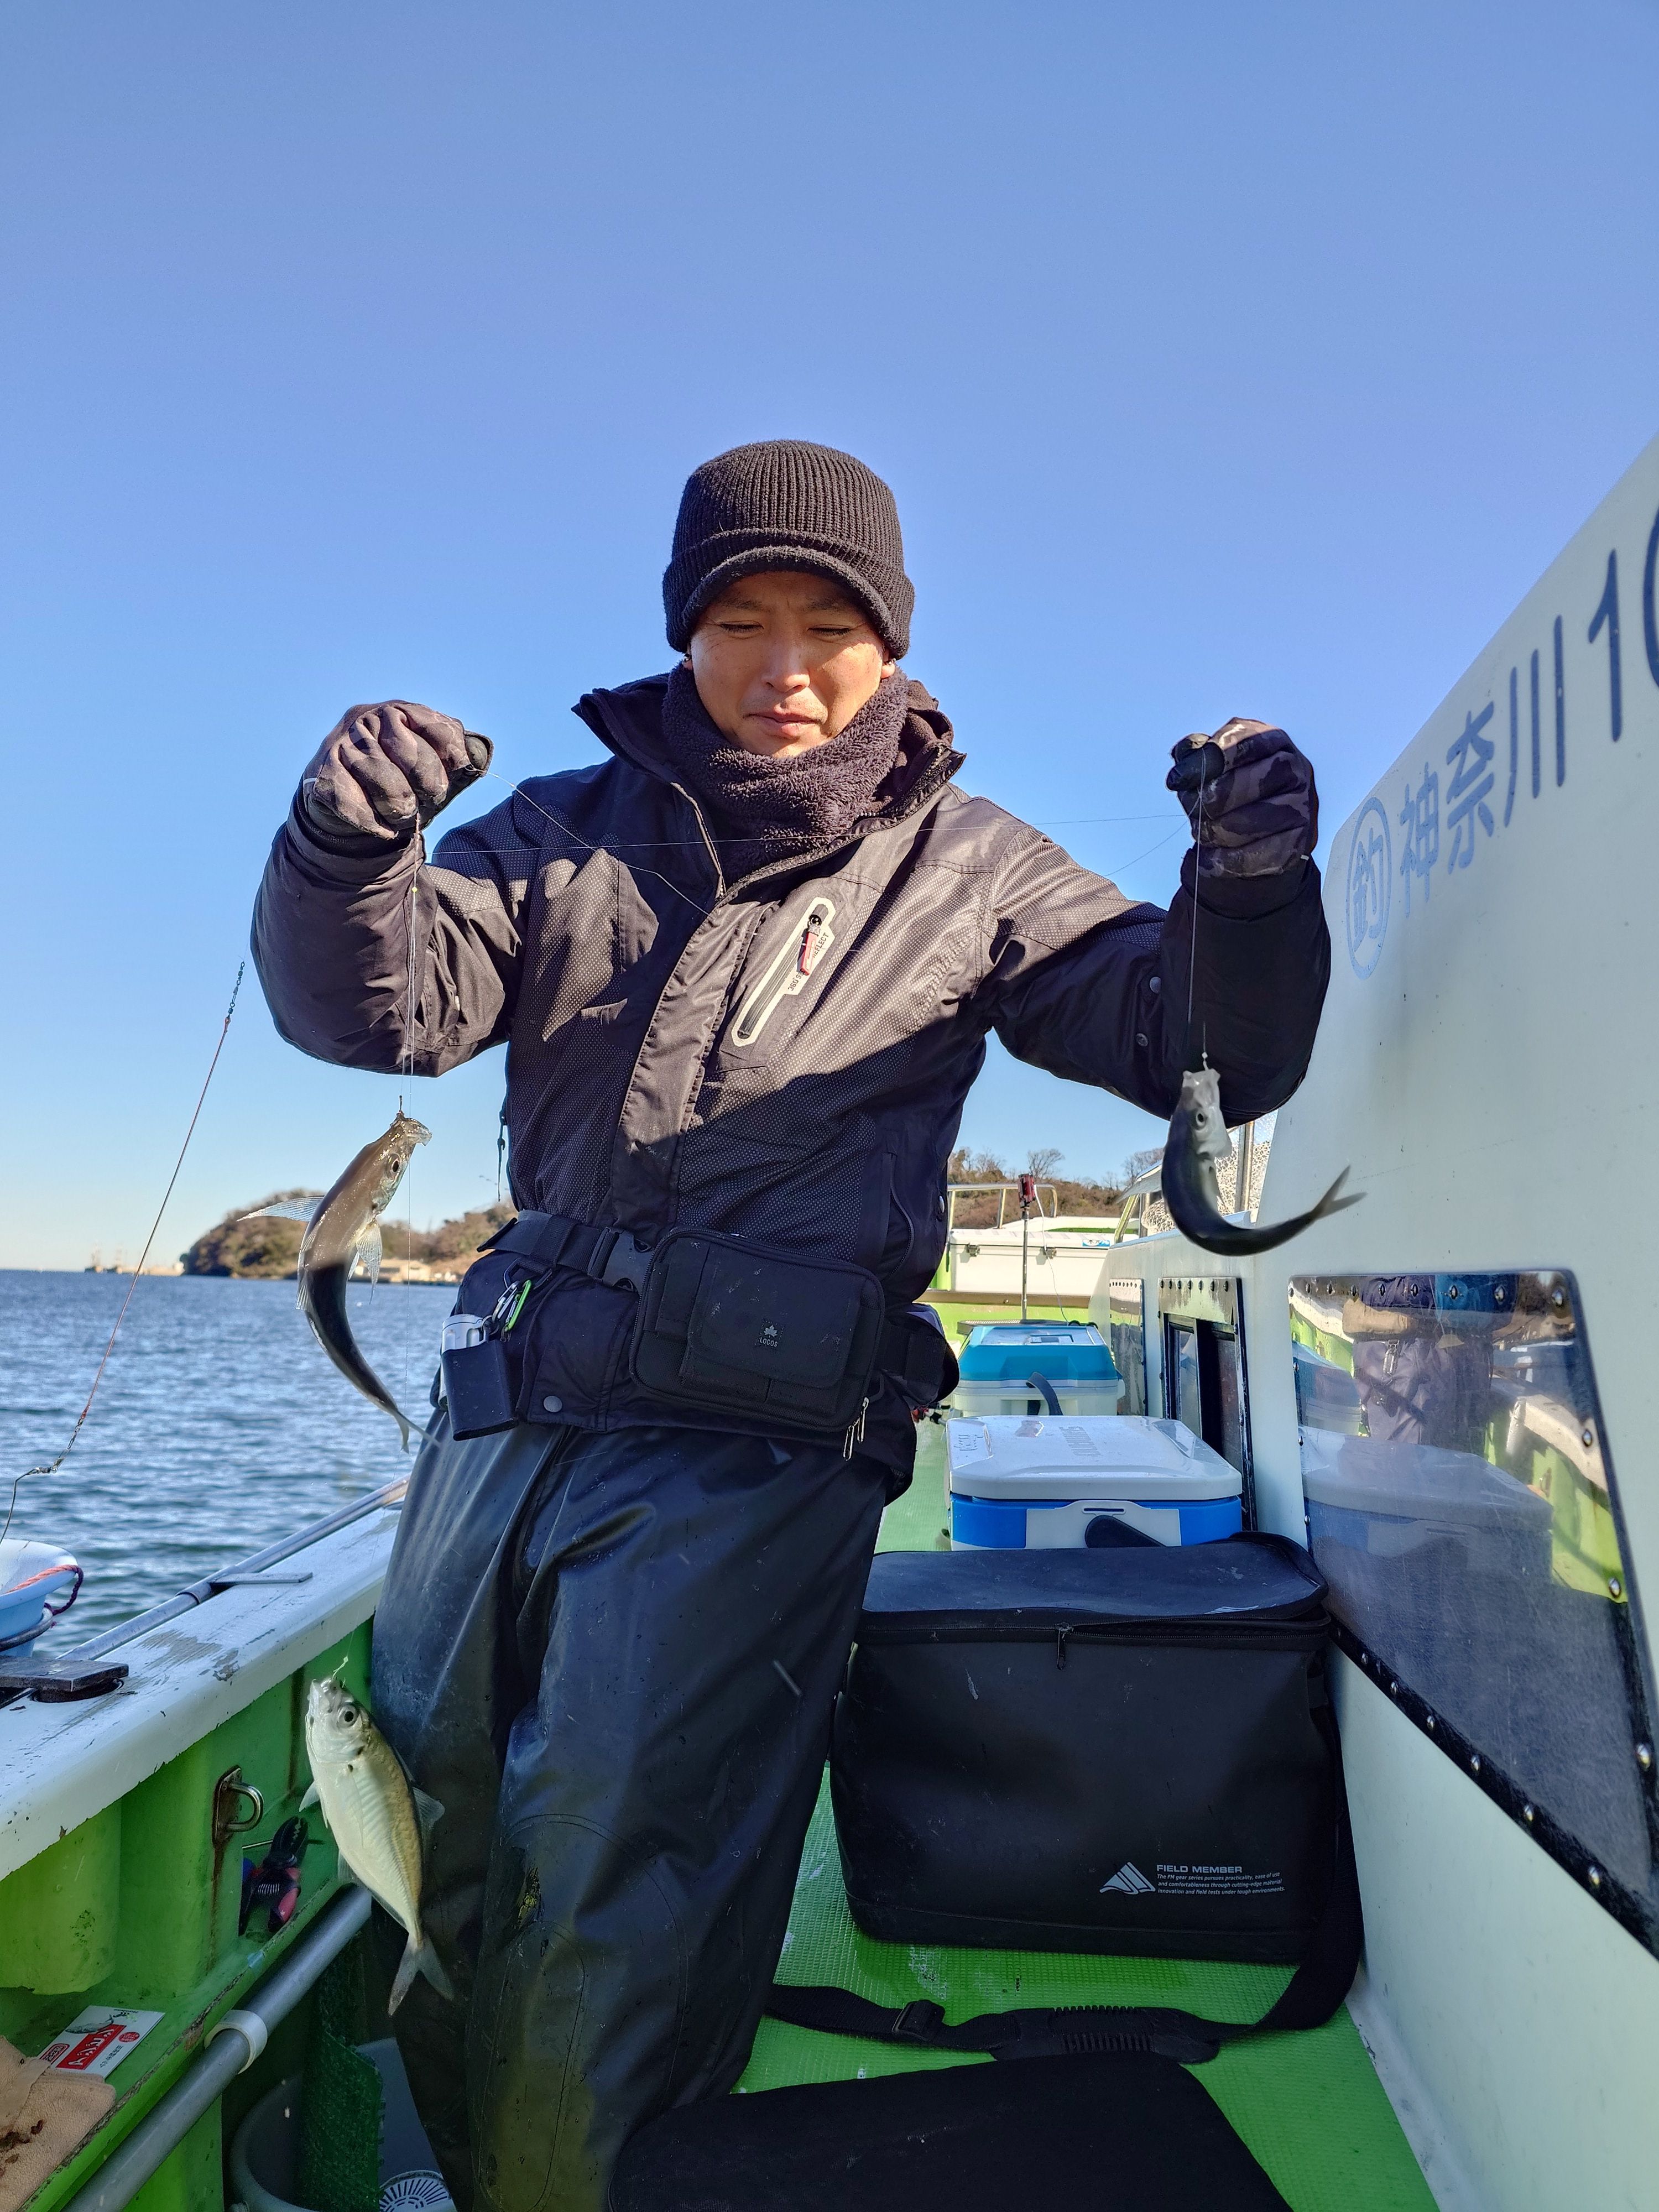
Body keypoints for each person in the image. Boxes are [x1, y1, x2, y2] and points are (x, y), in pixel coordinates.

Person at [252, 439, 1331, 2211]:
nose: (783, 668)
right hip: (503, 1427)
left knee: (623, 1888)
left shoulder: (973, 866)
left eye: (828, 628)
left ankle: (577, 2192)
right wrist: (339, 851)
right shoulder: (566, 827)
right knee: (434, 1821)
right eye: (738, 621)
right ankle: (467, 2168)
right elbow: (383, 1010)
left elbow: (1188, 1040)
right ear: (684, 633)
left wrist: (1253, 886)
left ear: (891, 646)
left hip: (752, 1456)